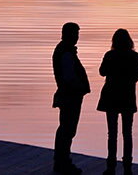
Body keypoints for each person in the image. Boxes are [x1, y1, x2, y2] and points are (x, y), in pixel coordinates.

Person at [97, 28, 138, 173]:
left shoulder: (110, 55)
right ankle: (127, 166)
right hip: (127, 97)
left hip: (111, 96)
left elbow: (102, 72)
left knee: (112, 133)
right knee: (127, 133)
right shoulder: (136, 57)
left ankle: (111, 166)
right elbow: (136, 78)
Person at [52, 22, 91, 174]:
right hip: (70, 96)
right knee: (67, 130)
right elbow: (69, 77)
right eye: (75, 34)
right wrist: (80, 88)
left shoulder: (64, 50)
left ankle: (62, 161)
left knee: (65, 129)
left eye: (77, 34)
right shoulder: (66, 52)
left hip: (68, 95)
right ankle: (63, 163)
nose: (77, 37)